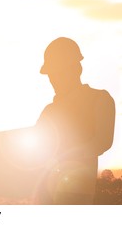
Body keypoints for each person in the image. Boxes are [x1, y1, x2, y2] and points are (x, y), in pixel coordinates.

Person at [35, 37, 116, 204]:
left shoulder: (100, 100)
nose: (52, 78)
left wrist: (66, 155)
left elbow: (102, 141)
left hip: (77, 197)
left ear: (75, 69)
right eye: (51, 73)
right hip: (46, 197)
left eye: (57, 72)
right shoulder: (49, 111)